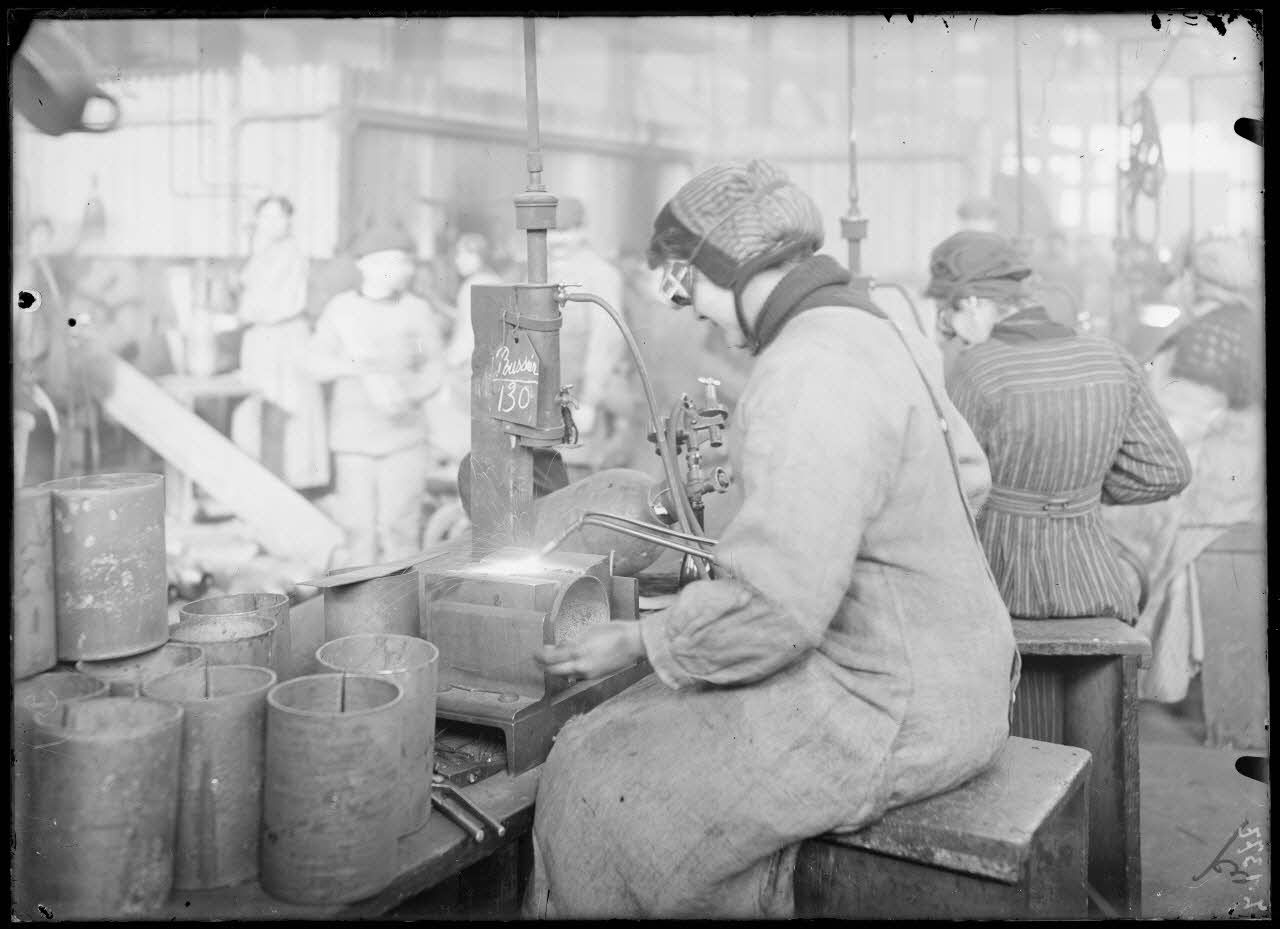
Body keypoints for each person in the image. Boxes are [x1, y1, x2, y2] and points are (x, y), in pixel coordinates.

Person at [523, 160, 1018, 919]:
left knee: (594, 773)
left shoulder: (804, 368)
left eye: (689, 287)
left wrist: (639, 639)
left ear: (729, 266)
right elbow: (970, 477)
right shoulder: (874, 322)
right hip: (966, 670)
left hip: (889, 711)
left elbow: (778, 611)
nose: (693, 311)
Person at [927, 230, 1192, 624]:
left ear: (972, 303)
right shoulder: (1112, 358)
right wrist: (1079, 487)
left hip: (1002, 593)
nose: (949, 333)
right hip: (1098, 586)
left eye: (947, 317)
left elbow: (950, 495)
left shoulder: (976, 371)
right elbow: (1168, 472)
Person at [1102, 234, 1264, 702]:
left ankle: (1121, 675)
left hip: (1210, 493)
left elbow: (1178, 431)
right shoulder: (1246, 325)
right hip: (1239, 484)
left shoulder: (1209, 336)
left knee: (1113, 531)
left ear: (1195, 280)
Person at [306, 224, 446, 567]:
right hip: (353, 440)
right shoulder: (341, 310)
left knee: (400, 530)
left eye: (405, 261)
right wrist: (355, 367)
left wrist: (407, 394)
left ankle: (404, 599)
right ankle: (359, 599)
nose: (402, 270)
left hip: (404, 440)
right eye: (391, 261)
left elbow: (435, 367)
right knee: (358, 531)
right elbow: (314, 363)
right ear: (365, 265)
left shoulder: (416, 310)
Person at [229, 195, 330, 490]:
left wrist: (240, 315)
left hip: (285, 336)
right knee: (256, 405)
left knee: (290, 406)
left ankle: (295, 481)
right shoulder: (261, 253)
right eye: (266, 216)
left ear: (289, 222)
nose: (272, 223)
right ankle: (256, 478)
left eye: (279, 217)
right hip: (261, 338)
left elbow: (265, 304)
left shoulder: (291, 254)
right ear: (257, 220)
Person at [547, 196, 631, 472]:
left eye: (566, 231)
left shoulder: (600, 273)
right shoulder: (543, 271)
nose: (557, 240)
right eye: (552, 232)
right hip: (545, 400)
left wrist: (589, 402)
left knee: (574, 477)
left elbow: (605, 341)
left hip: (580, 400)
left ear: (582, 231)